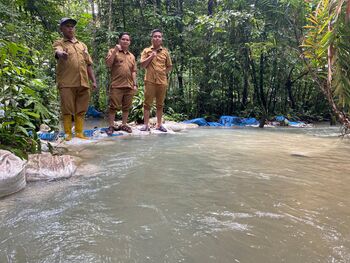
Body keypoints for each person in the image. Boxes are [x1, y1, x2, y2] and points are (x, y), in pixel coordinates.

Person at [53, 18, 97, 141]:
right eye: (67, 26)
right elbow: (58, 52)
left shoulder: (82, 45)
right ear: (61, 29)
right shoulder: (59, 43)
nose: (70, 28)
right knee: (67, 109)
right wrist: (62, 54)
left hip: (83, 82)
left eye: (72, 26)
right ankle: (67, 133)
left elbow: (88, 64)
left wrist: (93, 81)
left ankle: (79, 132)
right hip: (67, 82)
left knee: (81, 109)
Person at [140, 29, 172, 132]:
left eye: (159, 36)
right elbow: (142, 65)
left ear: (161, 39)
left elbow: (169, 66)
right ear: (152, 38)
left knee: (160, 104)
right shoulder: (146, 51)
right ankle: (145, 125)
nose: (157, 38)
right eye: (155, 36)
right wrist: (151, 56)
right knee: (147, 103)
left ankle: (159, 125)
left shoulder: (165, 52)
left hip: (162, 81)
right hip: (149, 80)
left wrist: (162, 73)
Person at [105, 32, 137, 135]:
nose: (125, 41)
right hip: (117, 85)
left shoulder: (131, 56)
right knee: (113, 106)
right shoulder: (112, 51)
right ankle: (111, 126)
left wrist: (135, 84)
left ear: (130, 42)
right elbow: (108, 64)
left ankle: (124, 124)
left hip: (129, 85)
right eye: (123, 39)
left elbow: (133, 71)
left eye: (127, 40)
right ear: (119, 40)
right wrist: (115, 51)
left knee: (126, 107)